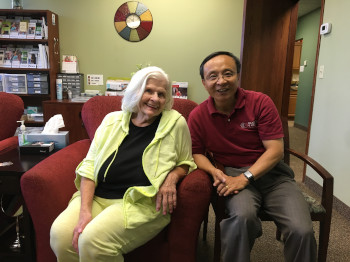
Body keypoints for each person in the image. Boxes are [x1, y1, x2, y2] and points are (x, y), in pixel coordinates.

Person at [50, 66, 196, 262]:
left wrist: (171, 178)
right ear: (136, 91)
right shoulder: (111, 120)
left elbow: (186, 161)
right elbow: (90, 165)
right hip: (98, 198)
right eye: (149, 90)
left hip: (140, 203)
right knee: (60, 236)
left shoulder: (176, 123)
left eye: (162, 94)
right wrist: (85, 211)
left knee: (93, 241)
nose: (155, 98)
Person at [188, 51, 316, 262]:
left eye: (227, 73)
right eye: (213, 76)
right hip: (231, 174)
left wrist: (245, 177)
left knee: (301, 230)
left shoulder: (260, 102)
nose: (221, 81)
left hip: (274, 176)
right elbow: (196, 153)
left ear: (238, 75)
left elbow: (275, 150)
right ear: (204, 82)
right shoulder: (198, 115)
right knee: (242, 219)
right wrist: (214, 171)